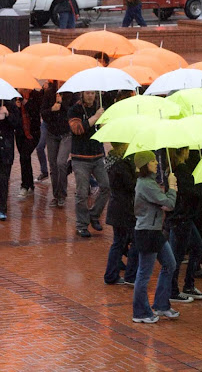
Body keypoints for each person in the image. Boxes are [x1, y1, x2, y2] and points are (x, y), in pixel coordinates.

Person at [132, 151, 180, 323]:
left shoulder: (149, 183)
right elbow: (169, 203)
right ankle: (140, 312)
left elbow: (162, 202)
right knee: (144, 274)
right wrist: (172, 188)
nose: (156, 163)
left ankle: (161, 304)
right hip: (148, 232)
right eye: (152, 161)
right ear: (146, 165)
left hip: (154, 231)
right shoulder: (146, 184)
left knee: (170, 264)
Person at [166, 147, 202, 303]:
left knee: (197, 248)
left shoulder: (172, 168)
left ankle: (188, 285)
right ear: (183, 152)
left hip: (183, 217)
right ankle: (173, 290)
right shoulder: (181, 170)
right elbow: (194, 192)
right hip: (181, 218)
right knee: (177, 255)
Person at [68, 91, 110, 237]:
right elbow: (77, 129)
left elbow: (105, 131)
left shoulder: (100, 108)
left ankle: (94, 214)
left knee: (106, 186)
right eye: (88, 93)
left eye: (93, 93)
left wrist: (104, 123)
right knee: (82, 193)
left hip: (97, 155)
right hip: (80, 158)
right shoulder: (75, 110)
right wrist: (95, 117)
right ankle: (81, 225)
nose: (90, 96)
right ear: (82, 94)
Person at [104, 142, 139, 285]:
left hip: (117, 207)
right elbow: (131, 185)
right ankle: (121, 274)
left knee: (119, 242)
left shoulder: (112, 161)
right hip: (124, 209)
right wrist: (136, 171)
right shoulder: (121, 164)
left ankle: (113, 273)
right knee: (127, 242)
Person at [40, 83, 75, 208]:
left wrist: (62, 104)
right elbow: (43, 113)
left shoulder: (72, 94)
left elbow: (73, 113)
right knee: (53, 165)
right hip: (52, 133)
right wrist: (52, 109)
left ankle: (63, 194)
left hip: (66, 134)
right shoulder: (49, 93)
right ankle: (56, 195)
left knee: (61, 162)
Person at [0, 100, 20, 221]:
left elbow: (17, 124)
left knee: (3, 179)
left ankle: (2, 208)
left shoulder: (10, 105)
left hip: (6, 149)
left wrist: (7, 114)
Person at [15, 88, 43, 199]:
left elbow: (36, 115)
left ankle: (25, 186)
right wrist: (16, 108)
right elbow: (13, 118)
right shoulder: (14, 95)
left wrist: (26, 103)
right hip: (20, 132)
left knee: (24, 156)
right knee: (25, 158)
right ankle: (30, 184)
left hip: (33, 133)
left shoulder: (36, 95)